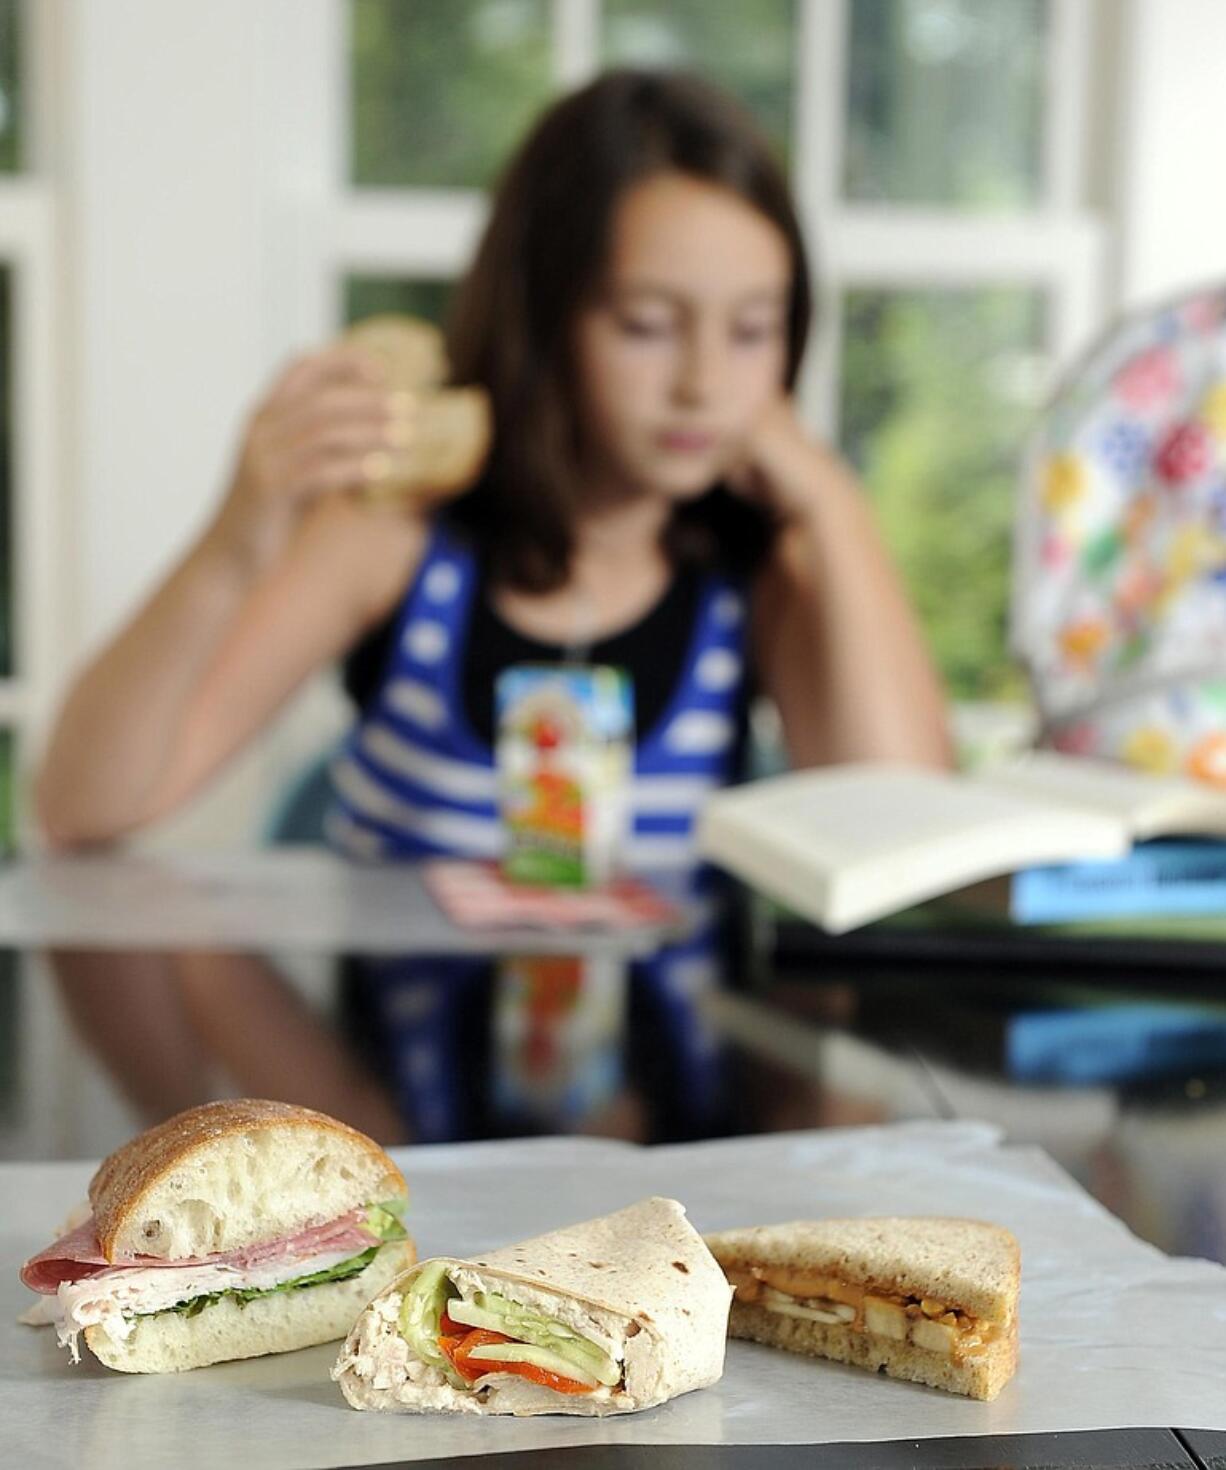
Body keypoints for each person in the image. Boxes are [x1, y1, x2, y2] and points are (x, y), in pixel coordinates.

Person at [36, 69, 950, 858]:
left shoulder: (764, 576)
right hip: (401, 1048)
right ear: (545, 316)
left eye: (753, 330)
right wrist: (236, 544)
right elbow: (82, 810)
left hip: (667, 1059)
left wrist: (836, 509)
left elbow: (908, 848)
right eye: (646, 325)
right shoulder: (397, 531)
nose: (704, 385)